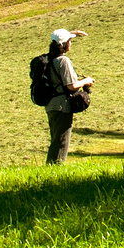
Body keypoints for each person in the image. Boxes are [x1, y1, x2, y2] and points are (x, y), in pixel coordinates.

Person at [45, 28, 94, 165]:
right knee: (61, 141)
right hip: (63, 106)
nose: (71, 44)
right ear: (64, 44)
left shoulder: (48, 59)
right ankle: (55, 170)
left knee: (55, 138)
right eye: (70, 41)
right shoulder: (63, 61)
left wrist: (73, 33)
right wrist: (86, 81)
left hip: (51, 105)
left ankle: (50, 168)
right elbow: (71, 86)